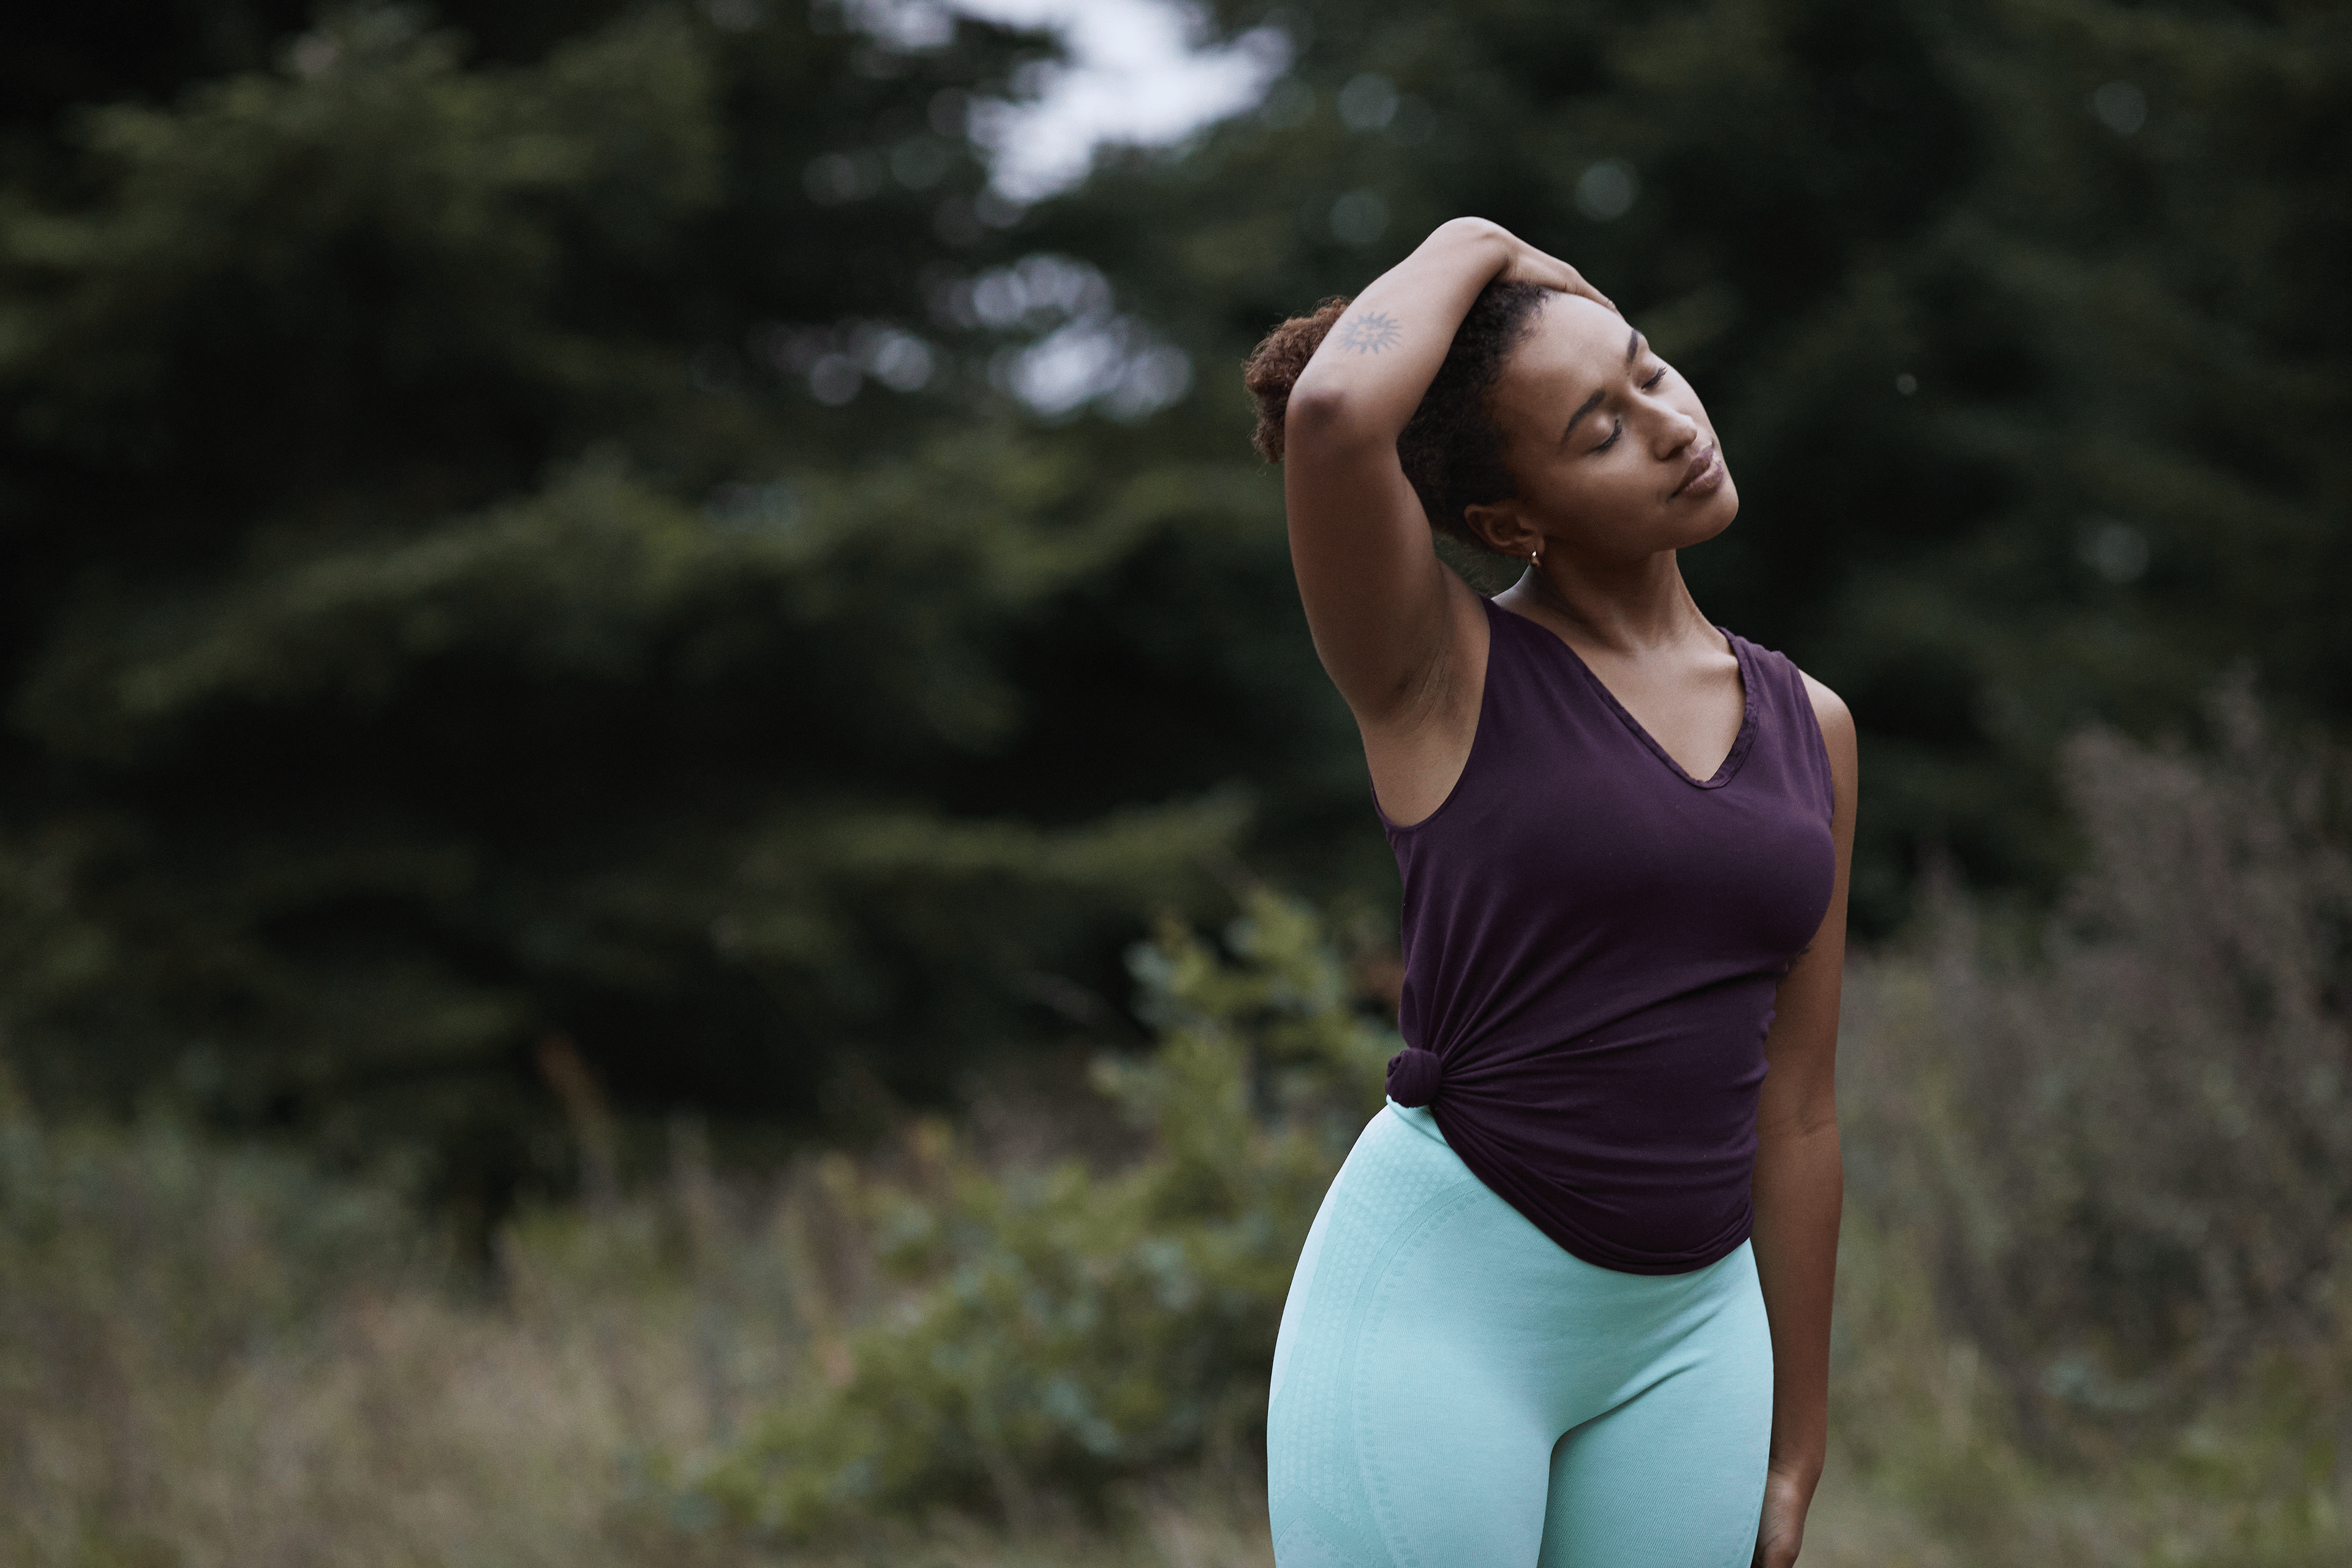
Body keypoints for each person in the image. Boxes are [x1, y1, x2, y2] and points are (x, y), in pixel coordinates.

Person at [1242, 217, 1855, 1568]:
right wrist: (1480, 240)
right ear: (1511, 520)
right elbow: (1339, 414)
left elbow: (1800, 1106)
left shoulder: (1812, 725)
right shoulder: (1435, 669)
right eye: (1600, 429)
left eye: (1649, 369)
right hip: (1445, 1306)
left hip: (1693, 1336)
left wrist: (1797, 1441)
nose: (1672, 425)